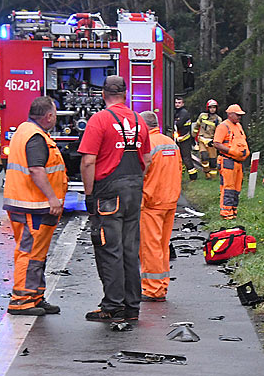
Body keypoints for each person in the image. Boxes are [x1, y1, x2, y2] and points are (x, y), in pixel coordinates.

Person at [79, 76, 151, 322]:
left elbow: (88, 161)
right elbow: (147, 159)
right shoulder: (139, 120)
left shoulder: (99, 120)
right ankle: (132, 306)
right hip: (134, 188)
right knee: (130, 249)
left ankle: (113, 305)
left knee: (109, 248)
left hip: (109, 191)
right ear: (125, 93)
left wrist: (89, 195)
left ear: (103, 94)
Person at [3, 97, 67, 316]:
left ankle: (35, 296)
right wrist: (53, 199)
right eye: (55, 115)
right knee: (29, 253)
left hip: (28, 203)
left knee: (36, 253)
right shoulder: (36, 137)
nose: (56, 118)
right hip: (33, 205)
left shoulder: (25, 130)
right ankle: (21, 300)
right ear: (48, 116)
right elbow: (36, 170)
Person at [139, 111, 182, 302]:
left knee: (151, 247)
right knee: (163, 246)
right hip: (169, 201)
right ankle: (162, 284)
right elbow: (179, 169)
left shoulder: (147, 144)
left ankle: (152, 289)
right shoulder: (170, 143)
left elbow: (143, 171)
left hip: (151, 202)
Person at [213, 104, 250, 220]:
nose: (239, 117)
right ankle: (226, 213)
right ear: (230, 114)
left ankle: (233, 211)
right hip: (227, 160)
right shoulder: (223, 126)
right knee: (228, 187)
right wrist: (231, 151)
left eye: (240, 115)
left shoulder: (238, 126)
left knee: (237, 188)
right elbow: (216, 143)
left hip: (238, 162)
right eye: (237, 115)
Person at [192, 99, 222, 179]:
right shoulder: (202, 116)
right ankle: (206, 173)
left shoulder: (218, 119)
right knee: (204, 157)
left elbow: (219, 132)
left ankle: (213, 176)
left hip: (211, 141)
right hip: (202, 139)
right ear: (207, 108)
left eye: (214, 107)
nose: (212, 109)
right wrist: (193, 137)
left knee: (213, 161)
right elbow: (196, 127)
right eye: (210, 107)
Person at [174, 96, 197, 181]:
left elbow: (179, 124)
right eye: (176, 103)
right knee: (179, 157)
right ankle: (180, 174)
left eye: (179, 103)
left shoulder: (184, 113)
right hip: (179, 138)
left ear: (183, 104)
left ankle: (193, 176)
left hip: (185, 139)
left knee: (186, 158)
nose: (177, 104)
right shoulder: (176, 112)